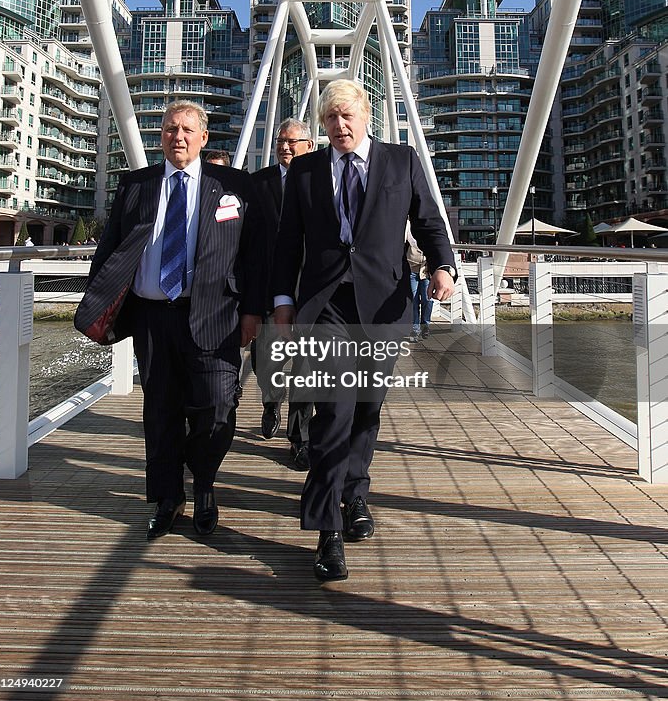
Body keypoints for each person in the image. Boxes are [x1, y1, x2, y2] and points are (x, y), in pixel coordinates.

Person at [273, 79, 456, 582]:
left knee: (368, 407)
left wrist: (443, 267)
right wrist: (283, 300)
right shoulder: (307, 170)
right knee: (334, 409)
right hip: (327, 306)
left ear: (366, 115)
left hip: (383, 305)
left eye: (346, 116)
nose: (339, 127)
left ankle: (356, 494)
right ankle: (327, 529)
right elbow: (289, 241)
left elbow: (429, 221)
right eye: (330, 119)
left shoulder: (400, 161)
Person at [75, 100, 264, 541]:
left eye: (186, 130)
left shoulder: (234, 185)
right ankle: (167, 497)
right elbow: (111, 248)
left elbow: (255, 254)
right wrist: (101, 301)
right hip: (153, 318)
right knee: (160, 410)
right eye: (169, 129)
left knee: (217, 406)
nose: (177, 136)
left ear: (203, 138)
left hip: (216, 316)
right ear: (160, 136)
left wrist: (254, 311)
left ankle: (203, 483)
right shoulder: (136, 185)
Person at [251, 118, 315, 470]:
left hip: (308, 290)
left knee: (305, 369)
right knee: (267, 363)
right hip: (268, 288)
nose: (285, 147)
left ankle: (299, 439)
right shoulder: (257, 183)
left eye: (292, 142)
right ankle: (270, 402)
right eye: (280, 141)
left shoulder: (320, 183)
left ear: (309, 145)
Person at [406, 224, 433, 341]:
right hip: (412, 268)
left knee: (427, 299)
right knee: (413, 299)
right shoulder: (407, 225)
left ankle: (425, 325)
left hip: (426, 270)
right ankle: (415, 330)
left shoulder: (429, 225)